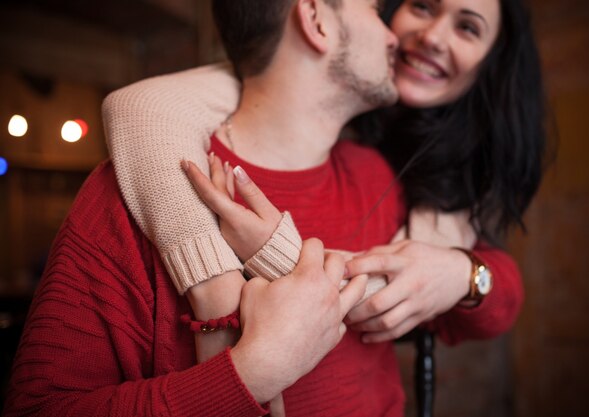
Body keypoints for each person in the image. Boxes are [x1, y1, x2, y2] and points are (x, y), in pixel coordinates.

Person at [4, 0, 409, 416]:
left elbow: (462, 311)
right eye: (375, 9)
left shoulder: (377, 176)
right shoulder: (134, 190)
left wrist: (468, 276)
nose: (394, 35)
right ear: (316, 18)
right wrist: (253, 373)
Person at [102, 0, 543, 349]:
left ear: (490, 63)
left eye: (468, 27)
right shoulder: (300, 78)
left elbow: (483, 291)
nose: (431, 36)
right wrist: (215, 283)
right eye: (423, 6)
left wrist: (463, 272)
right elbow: (142, 109)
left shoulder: (448, 168)